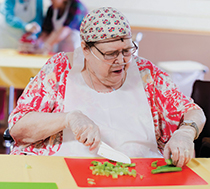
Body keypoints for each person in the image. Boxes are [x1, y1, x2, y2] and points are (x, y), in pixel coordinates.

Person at [8, 7, 206, 167]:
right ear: (85, 48)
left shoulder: (147, 74)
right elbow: (18, 128)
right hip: (67, 172)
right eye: (110, 53)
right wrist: (68, 118)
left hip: (142, 175)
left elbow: (193, 112)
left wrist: (185, 133)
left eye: (127, 50)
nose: (121, 61)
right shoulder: (60, 69)